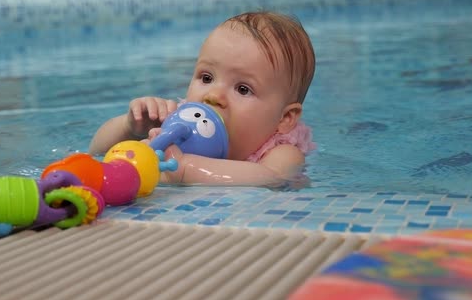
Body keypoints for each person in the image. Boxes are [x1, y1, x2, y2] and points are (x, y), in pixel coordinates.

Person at [90, 11, 316, 186]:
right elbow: (95, 150)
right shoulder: (179, 122)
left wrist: (186, 167)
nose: (213, 96)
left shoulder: (282, 153)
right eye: (206, 77)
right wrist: (129, 126)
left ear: (284, 118)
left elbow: (271, 178)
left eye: (243, 89)